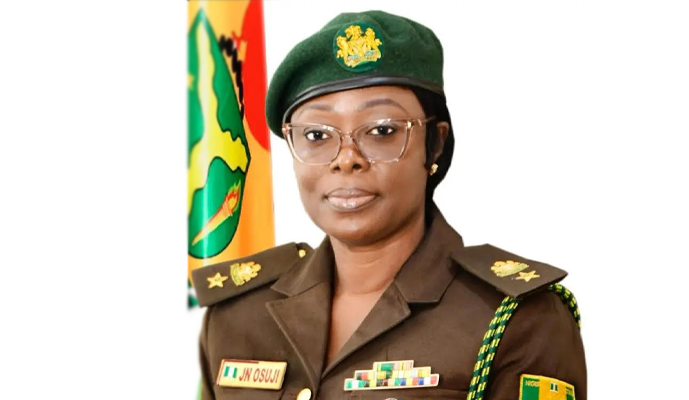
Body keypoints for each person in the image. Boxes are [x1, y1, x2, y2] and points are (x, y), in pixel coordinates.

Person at [192, 10, 586, 400]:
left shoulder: (516, 319)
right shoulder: (236, 318)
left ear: (435, 144)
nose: (346, 159)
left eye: (381, 130)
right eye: (316, 135)